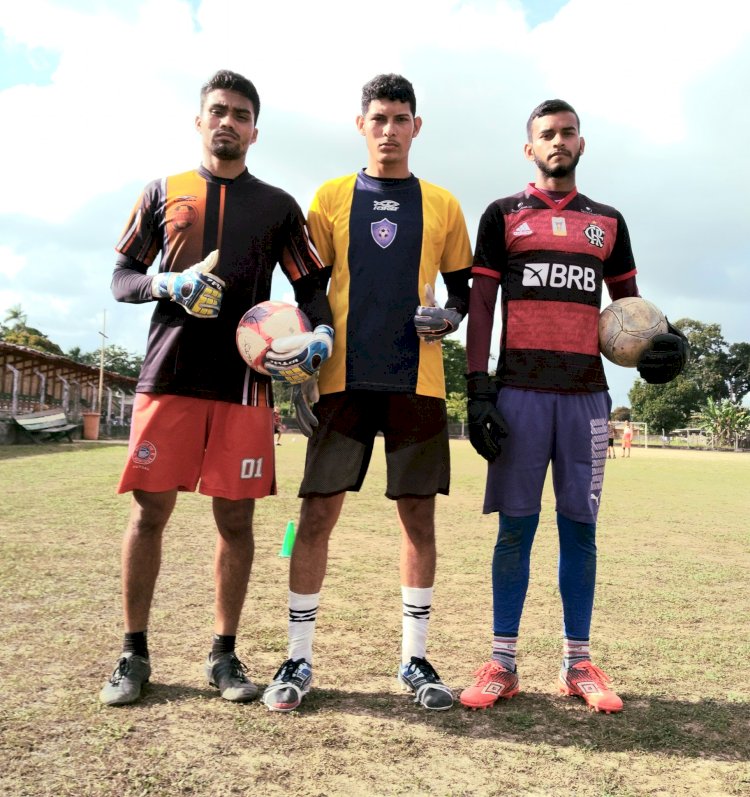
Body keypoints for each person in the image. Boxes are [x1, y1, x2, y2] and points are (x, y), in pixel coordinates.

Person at [99, 70, 332, 706]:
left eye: (240, 114)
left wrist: (321, 334)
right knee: (150, 513)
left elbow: (311, 285)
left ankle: (224, 656)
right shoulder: (162, 191)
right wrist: (165, 285)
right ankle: (132, 654)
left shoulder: (279, 206)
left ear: (255, 130)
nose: (227, 121)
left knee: (236, 519)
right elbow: (122, 277)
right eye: (218, 111)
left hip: (244, 388)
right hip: (169, 376)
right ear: (199, 120)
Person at [459, 99, 688, 714]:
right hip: (519, 395)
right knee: (516, 529)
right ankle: (502, 663)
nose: (558, 142)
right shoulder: (502, 215)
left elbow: (632, 316)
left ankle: (577, 663)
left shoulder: (608, 223)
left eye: (567, 133)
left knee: (579, 530)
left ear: (581, 144)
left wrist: (668, 344)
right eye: (546, 135)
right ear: (529, 148)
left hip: (587, 398)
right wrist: (478, 385)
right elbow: (481, 307)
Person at [261, 73, 473, 713]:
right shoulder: (328, 196)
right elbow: (305, 279)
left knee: (419, 519)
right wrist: (316, 331)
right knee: (313, 517)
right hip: (340, 381)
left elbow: (463, 289)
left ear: (416, 126)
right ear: (361, 125)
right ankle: (297, 658)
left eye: (400, 118)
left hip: (419, 381)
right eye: (378, 118)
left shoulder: (443, 203)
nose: (389, 130)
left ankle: (415, 659)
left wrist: (452, 316)